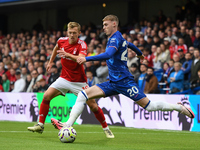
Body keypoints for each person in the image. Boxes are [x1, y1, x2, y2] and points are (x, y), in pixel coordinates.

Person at [50, 15, 194, 132]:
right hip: (113, 82)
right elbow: (129, 44)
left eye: (106, 25)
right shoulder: (119, 38)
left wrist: (86, 58)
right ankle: (67, 125)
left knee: (150, 107)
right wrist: (140, 54)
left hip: (125, 82)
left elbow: (108, 54)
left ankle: (179, 107)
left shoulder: (115, 38)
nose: (104, 27)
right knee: (83, 95)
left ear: (114, 24)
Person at [27, 22, 114, 138]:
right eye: (70, 32)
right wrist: (51, 61)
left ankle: (106, 128)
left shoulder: (82, 44)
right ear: (67, 32)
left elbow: (81, 59)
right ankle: (40, 125)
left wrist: (67, 54)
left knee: (93, 106)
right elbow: (56, 48)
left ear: (79, 33)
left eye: (74, 33)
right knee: (46, 96)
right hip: (64, 78)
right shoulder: (62, 41)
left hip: (79, 82)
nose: (72, 35)